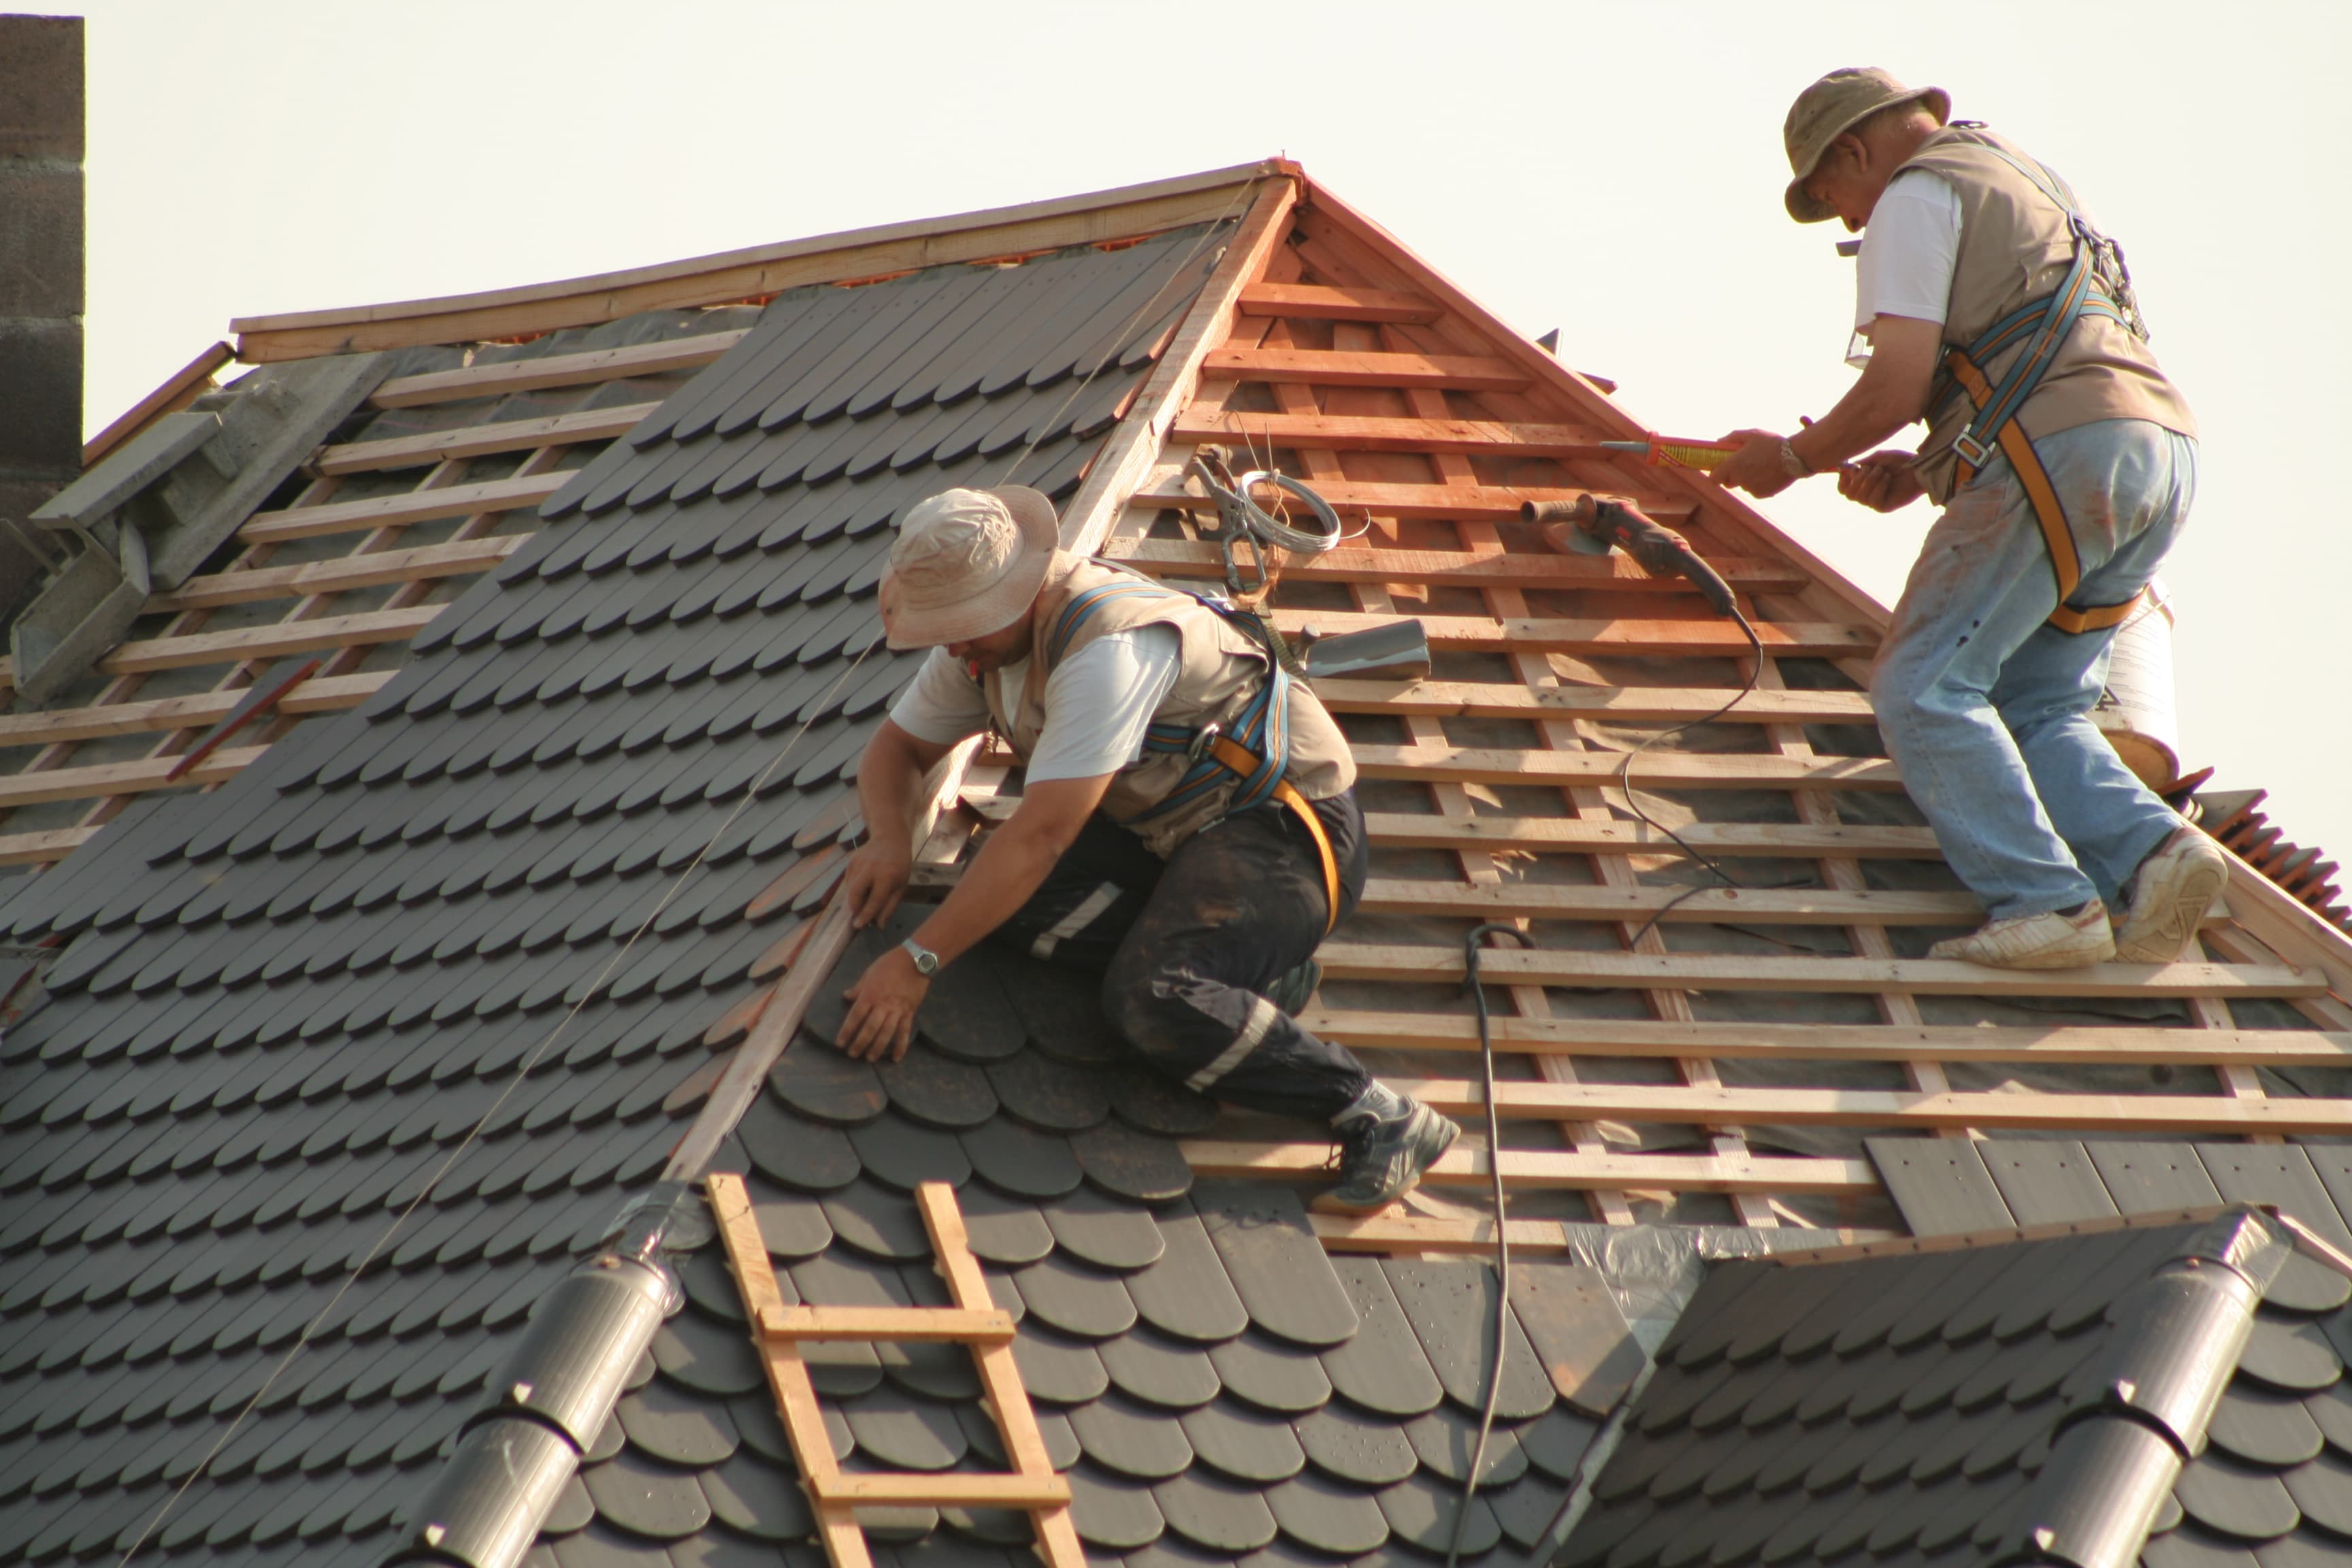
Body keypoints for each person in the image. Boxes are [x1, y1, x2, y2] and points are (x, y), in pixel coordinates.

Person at [1709, 67, 2227, 970]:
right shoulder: (2017, 176)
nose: (1847, 223)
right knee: (2037, 699)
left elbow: (1895, 380)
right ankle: (2155, 849)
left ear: (1854, 151)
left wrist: (1791, 458)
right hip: (2152, 453)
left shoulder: (1914, 194)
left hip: (2062, 457)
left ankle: (2045, 902)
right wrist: (1926, 469)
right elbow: (2022, 349)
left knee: (1922, 682)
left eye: (1834, 197)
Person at [832, 485, 1458, 1211]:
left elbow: (1041, 836)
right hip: (1166, 831)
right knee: (995, 903)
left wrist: (919, 961)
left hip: (1286, 831)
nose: (955, 645)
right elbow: (896, 750)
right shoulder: (983, 646)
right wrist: (887, 838)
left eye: (964, 626)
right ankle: (1249, 974)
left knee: (1152, 995)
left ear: (1016, 593)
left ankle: (1377, 1113)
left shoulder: (1109, 650)